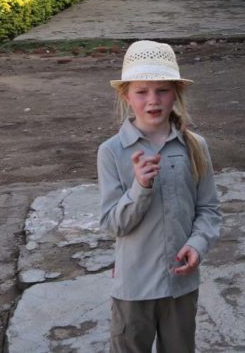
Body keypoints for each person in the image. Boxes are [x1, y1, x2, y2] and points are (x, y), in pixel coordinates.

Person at [97, 40, 220, 353]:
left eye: (162, 90)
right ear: (126, 95)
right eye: (141, 91)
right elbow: (113, 224)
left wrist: (197, 244)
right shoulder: (112, 152)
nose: (153, 100)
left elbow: (208, 210)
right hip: (134, 288)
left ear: (176, 92)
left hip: (181, 286)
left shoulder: (195, 146)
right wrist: (140, 186)